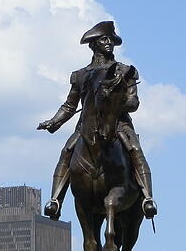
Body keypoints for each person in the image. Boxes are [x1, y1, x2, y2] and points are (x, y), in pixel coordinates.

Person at [37, 20, 157, 221]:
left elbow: (133, 102)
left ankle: (147, 198)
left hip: (118, 123)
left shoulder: (125, 71)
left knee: (135, 149)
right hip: (87, 126)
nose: (109, 43)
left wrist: (115, 104)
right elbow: (69, 106)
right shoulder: (80, 75)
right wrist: (54, 122)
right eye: (104, 39)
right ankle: (55, 200)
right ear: (93, 44)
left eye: (111, 39)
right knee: (67, 151)